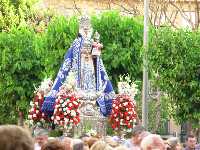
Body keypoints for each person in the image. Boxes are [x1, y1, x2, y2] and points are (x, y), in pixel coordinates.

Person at [42, 15, 115, 117]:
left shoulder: (93, 44)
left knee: (90, 81)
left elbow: (99, 66)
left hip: (91, 72)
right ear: (80, 29)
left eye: (88, 28)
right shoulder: (76, 44)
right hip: (78, 77)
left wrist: (95, 53)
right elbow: (67, 65)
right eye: (84, 28)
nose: (86, 30)